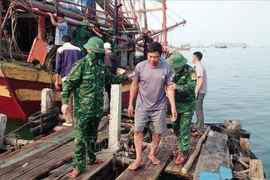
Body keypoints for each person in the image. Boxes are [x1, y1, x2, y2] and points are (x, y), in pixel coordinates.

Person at [60, 37, 132, 178]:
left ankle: (91, 159)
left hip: (96, 109)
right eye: (94, 51)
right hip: (82, 110)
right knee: (80, 138)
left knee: (92, 136)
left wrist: (125, 78)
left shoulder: (100, 65)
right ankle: (78, 166)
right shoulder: (80, 65)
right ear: (88, 50)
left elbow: (110, 79)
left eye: (98, 52)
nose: (96, 54)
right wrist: (64, 103)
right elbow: (68, 85)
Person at [127, 42, 177, 170]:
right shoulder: (140, 67)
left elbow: (170, 88)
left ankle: (152, 153)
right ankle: (138, 159)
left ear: (160, 55)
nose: (152, 60)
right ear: (146, 55)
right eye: (150, 56)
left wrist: (173, 107)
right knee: (138, 130)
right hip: (142, 104)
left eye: (155, 57)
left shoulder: (166, 68)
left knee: (158, 132)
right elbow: (134, 85)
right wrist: (130, 104)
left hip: (159, 105)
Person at [166, 52, 196, 165]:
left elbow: (193, 85)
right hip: (175, 105)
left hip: (187, 105)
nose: (175, 69)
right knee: (176, 127)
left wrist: (178, 87)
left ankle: (183, 152)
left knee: (184, 128)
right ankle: (180, 145)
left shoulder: (190, 71)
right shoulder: (171, 71)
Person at [55, 35, 82, 126]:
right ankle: (78, 119)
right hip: (78, 77)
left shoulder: (60, 50)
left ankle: (69, 121)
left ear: (62, 42)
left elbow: (58, 67)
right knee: (78, 98)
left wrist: (56, 80)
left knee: (67, 99)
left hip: (66, 77)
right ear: (71, 41)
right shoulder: (78, 50)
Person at [192, 51, 207, 135]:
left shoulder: (199, 67)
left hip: (200, 91)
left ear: (195, 57)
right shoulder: (198, 66)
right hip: (200, 91)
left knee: (198, 109)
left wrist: (196, 91)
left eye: (192, 57)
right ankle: (198, 126)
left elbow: (200, 79)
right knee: (197, 109)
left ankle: (200, 129)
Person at [104, 42, 119, 113]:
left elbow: (108, 67)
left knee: (108, 93)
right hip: (114, 76)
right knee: (112, 94)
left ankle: (109, 110)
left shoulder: (107, 57)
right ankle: (112, 109)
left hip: (108, 77)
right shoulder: (114, 55)